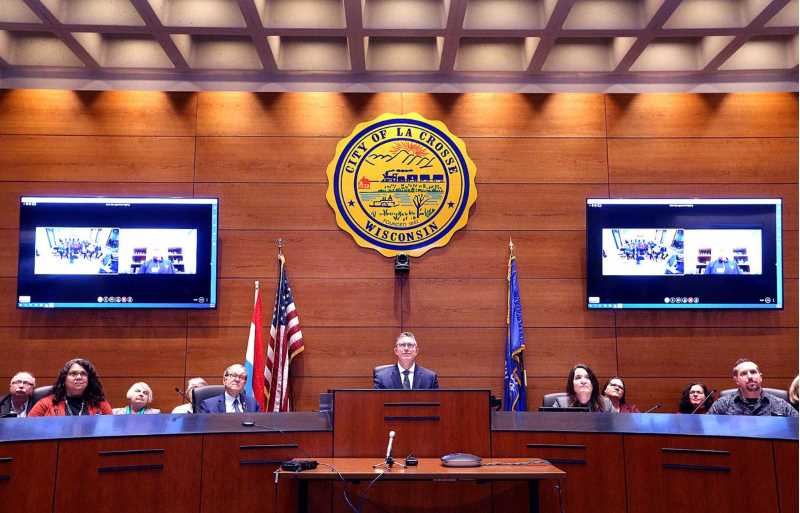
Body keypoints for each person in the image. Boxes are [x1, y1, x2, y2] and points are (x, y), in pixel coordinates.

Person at [708, 358, 797, 416]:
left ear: (760, 377)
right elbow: (707, 429)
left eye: (753, 372)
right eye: (744, 374)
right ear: (736, 380)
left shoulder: (780, 404)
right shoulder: (722, 405)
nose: (750, 376)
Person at [29, 358, 113, 416]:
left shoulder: (100, 404)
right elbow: (28, 429)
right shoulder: (45, 404)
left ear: (89, 380)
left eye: (83, 374)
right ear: (64, 379)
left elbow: (112, 431)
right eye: (73, 374)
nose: (79, 377)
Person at [373, 331, 439, 389]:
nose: (406, 348)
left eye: (410, 345)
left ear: (416, 351)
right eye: (402, 345)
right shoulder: (382, 378)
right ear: (396, 351)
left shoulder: (430, 378)